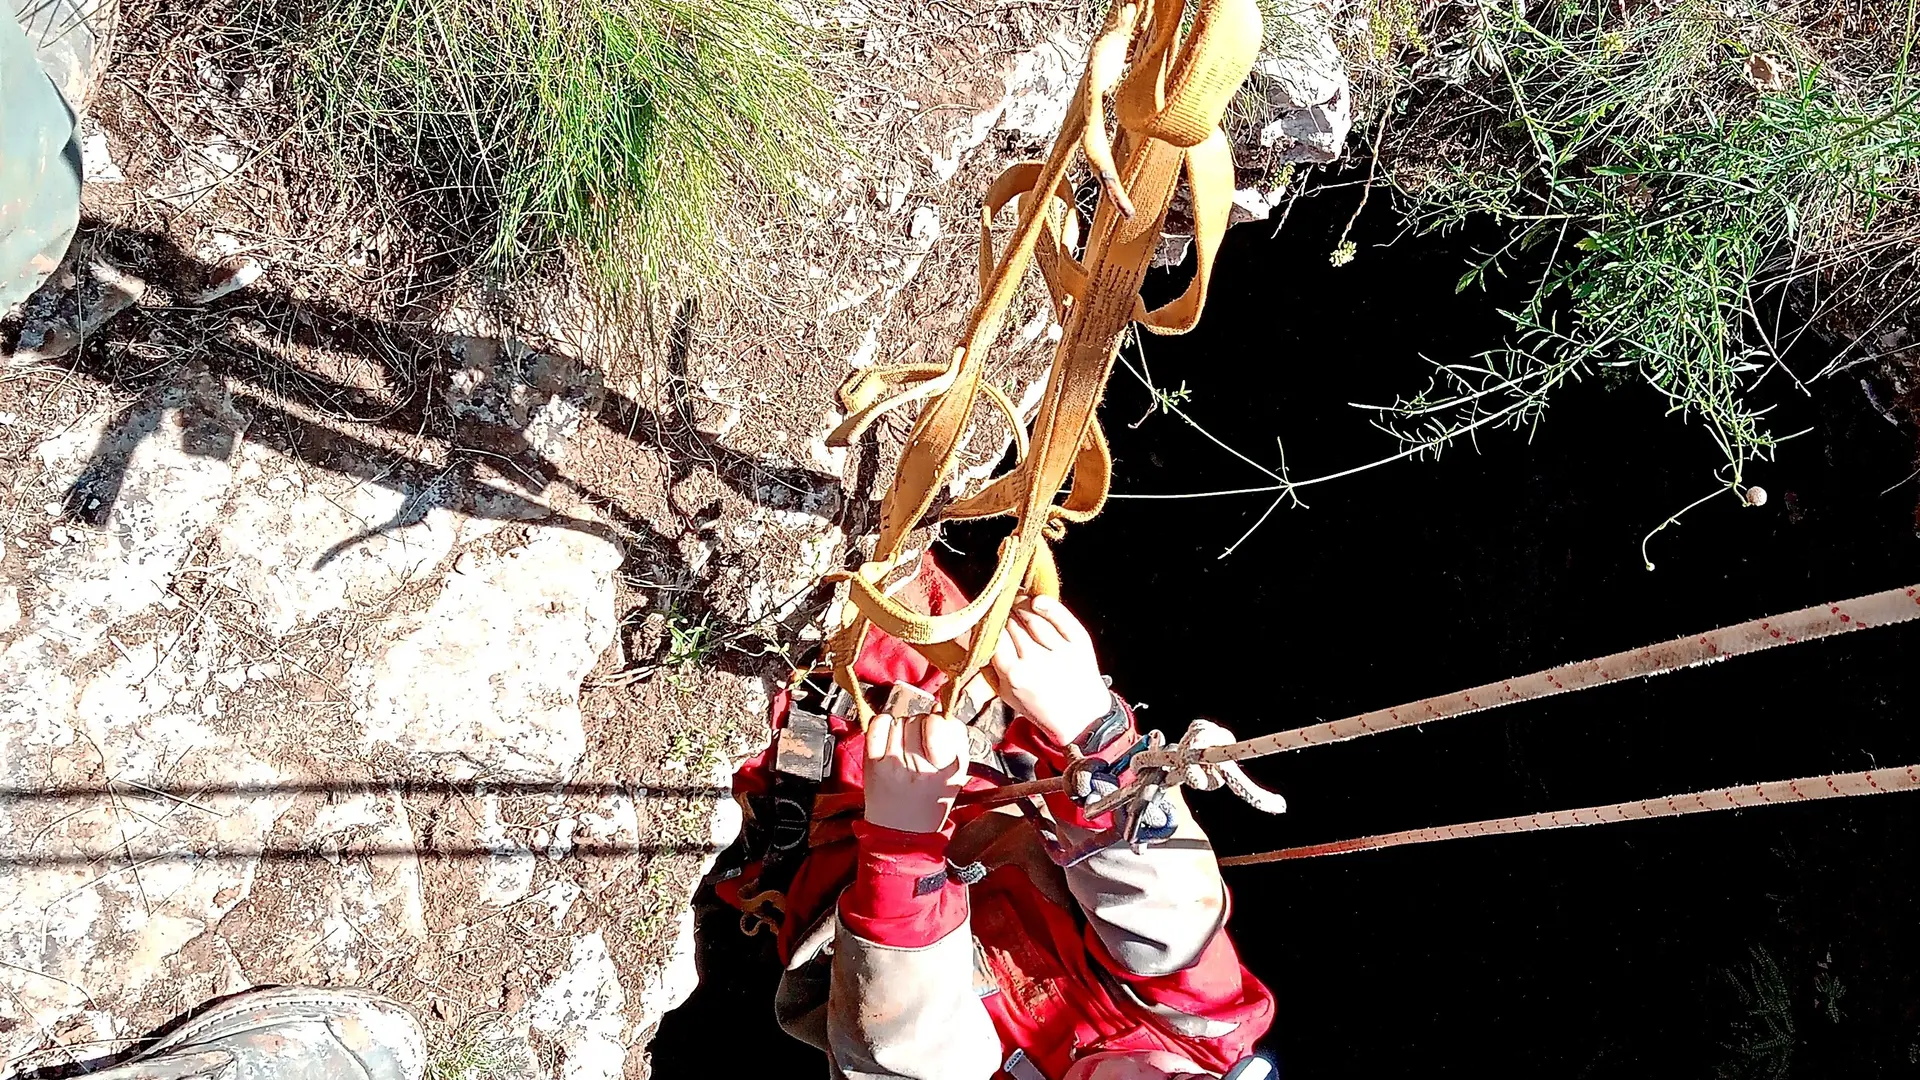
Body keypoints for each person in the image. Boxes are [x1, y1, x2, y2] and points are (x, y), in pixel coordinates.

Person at [755, 586, 1276, 1080]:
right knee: (897, 585)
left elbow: (906, 1049)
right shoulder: (1209, 1026)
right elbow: (1169, 910)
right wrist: (1088, 729)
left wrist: (903, 843)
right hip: (963, 758)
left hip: (804, 842)